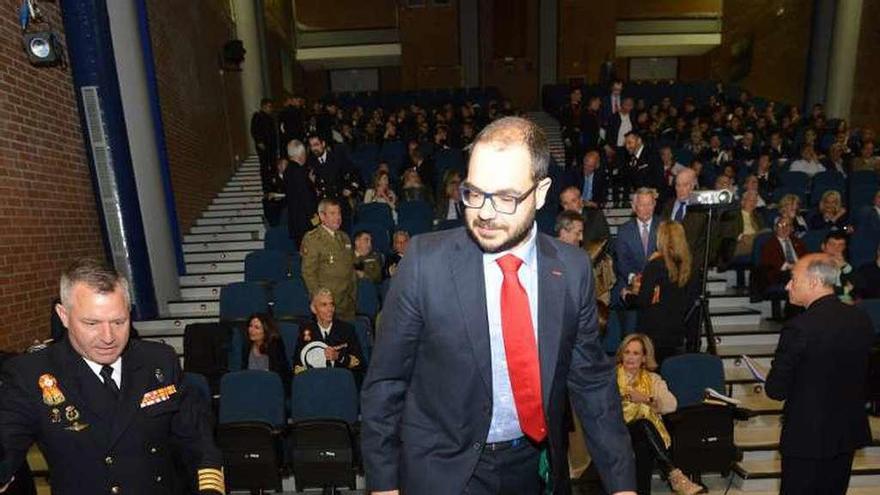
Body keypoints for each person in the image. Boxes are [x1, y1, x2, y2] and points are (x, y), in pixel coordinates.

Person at [361, 116, 637, 495]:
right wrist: (383, 485)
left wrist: (622, 484)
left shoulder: (572, 270)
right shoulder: (425, 263)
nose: (486, 213)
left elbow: (591, 384)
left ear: (541, 193)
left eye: (506, 198)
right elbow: (386, 383)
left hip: (534, 469)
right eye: (474, 194)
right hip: (442, 471)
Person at [0, 259, 224, 494]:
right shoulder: (30, 374)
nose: (108, 337)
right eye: (92, 323)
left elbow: (197, 441)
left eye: (119, 322)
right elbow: (6, 445)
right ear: (63, 316)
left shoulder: (158, 360)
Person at [765, 254, 874, 495]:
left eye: (793, 279)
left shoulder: (799, 327)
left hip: (806, 436)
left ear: (814, 282)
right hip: (846, 432)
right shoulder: (860, 318)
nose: (787, 285)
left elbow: (775, 390)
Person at [616, 334, 704, 495]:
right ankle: (674, 474)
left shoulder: (653, 379)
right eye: (626, 352)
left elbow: (672, 405)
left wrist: (646, 399)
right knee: (643, 425)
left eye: (636, 353)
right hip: (617, 431)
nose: (630, 357)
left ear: (644, 358)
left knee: (643, 443)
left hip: (643, 435)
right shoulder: (610, 378)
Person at [621, 222, 694, 365]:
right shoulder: (685, 264)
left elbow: (643, 301)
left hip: (654, 334)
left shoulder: (656, 265)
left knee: (652, 380)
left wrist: (626, 295)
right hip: (676, 332)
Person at [293, 289, 366, 386]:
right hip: (315, 384)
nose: (330, 309)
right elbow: (298, 364)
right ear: (314, 309)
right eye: (324, 305)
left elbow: (360, 364)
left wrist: (338, 357)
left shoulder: (347, 330)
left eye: (332, 304)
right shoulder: (306, 331)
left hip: (341, 384)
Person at [301, 199, 357, 322]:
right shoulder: (313, 239)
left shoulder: (344, 237)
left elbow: (350, 268)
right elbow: (308, 273)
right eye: (332, 213)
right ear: (322, 216)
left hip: (347, 302)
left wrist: (353, 295)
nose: (337, 217)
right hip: (328, 305)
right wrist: (319, 300)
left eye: (339, 213)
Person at [613, 188, 659, 306]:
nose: (646, 209)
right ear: (634, 207)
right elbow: (621, 262)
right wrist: (633, 278)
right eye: (641, 205)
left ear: (654, 205)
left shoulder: (663, 227)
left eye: (649, 204)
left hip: (658, 289)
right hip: (632, 289)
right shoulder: (624, 230)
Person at [661, 168, 707, 272]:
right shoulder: (668, 205)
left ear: (693, 186)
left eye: (685, 185)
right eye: (678, 185)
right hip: (667, 264)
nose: (680, 189)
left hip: (691, 265)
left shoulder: (702, 210)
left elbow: (703, 241)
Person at [241, 313, 291, 395]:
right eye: (250, 326)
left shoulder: (275, 345)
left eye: (257, 327)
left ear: (266, 330)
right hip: (251, 387)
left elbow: (279, 374)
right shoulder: (246, 346)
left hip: (270, 389)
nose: (251, 330)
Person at [285, 139, 319, 249]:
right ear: (301, 155)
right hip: (305, 223)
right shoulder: (299, 172)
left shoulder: (287, 171)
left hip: (295, 222)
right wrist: (316, 221)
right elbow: (307, 199)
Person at [758, 217, 807, 292]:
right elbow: (770, 263)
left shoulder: (798, 242)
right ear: (775, 228)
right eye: (781, 225)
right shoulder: (769, 244)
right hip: (780, 274)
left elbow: (806, 258)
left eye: (788, 225)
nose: (784, 228)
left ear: (792, 229)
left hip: (799, 271)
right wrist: (791, 266)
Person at [718, 190, 766, 267]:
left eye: (755, 201)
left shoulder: (758, 216)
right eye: (750, 200)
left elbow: (763, 234)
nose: (753, 203)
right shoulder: (732, 214)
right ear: (742, 202)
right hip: (739, 244)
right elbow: (726, 233)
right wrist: (740, 237)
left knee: (765, 236)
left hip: (755, 243)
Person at [251, 97, 277, 185]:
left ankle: (272, 183)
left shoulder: (270, 118)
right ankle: (266, 184)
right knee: (265, 166)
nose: (271, 109)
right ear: (263, 106)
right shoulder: (257, 116)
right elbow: (254, 130)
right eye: (269, 106)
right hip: (263, 145)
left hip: (271, 145)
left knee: (273, 165)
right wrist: (259, 142)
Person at [263, 158, 288, 227]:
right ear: (279, 166)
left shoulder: (290, 177)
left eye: (287, 164)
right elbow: (269, 194)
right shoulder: (271, 177)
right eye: (284, 164)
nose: (286, 166)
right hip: (275, 208)